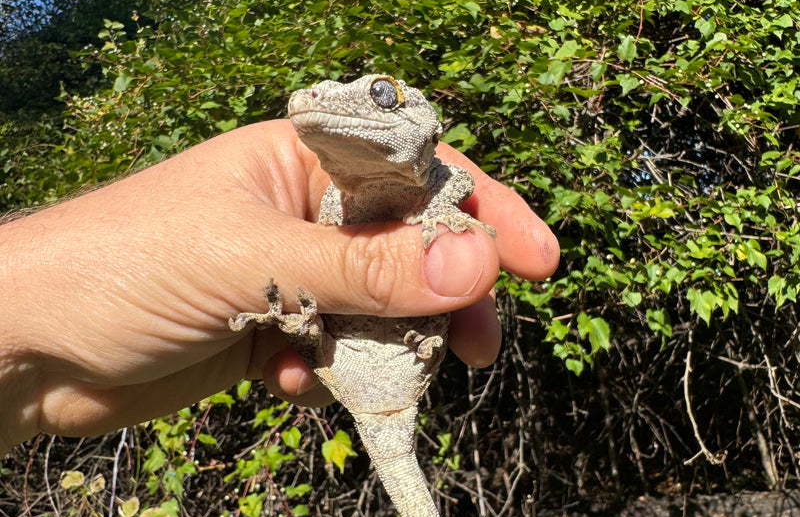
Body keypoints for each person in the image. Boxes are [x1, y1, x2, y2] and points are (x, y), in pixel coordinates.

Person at [0, 119, 559, 456]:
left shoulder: (443, 175)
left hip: (389, 353)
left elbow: (456, 181)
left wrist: (28, 375)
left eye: (381, 97)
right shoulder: (336, 193)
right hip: (346, 352)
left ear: (427, 125)